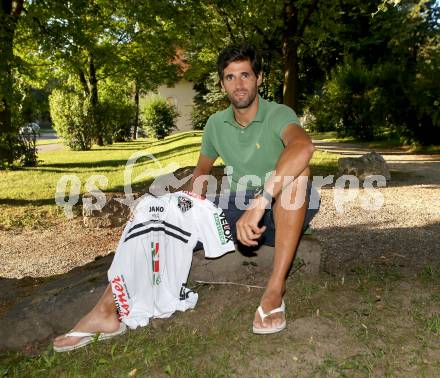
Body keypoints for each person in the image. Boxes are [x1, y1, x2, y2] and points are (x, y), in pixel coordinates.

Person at [190, 43, 319, 334]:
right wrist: (189, 202)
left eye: (245, 75)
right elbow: (202, 171)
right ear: (222, 83)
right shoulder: (214, 124)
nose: (238, 84)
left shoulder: (278, 113)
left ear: (259, 78)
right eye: (230, 77)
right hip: (236, 209)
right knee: (163, 212)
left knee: (298, 176)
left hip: (279, 207)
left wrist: (260, 202)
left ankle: (275, 288)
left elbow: (303, 146)